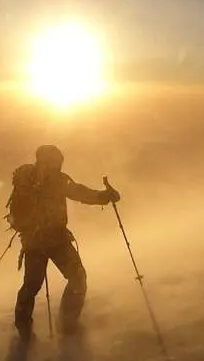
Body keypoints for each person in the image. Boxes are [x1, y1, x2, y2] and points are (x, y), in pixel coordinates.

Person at [7, 145, 120, 341]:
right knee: (67, 279)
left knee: (38, 284)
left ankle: (30, 328)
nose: (57, 166)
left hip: (41, 241)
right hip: (49, 240)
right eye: (55, 162)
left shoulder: (39, 182)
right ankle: (64, 325)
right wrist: (105, 197)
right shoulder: (53, 182)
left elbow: (80, 192)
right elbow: (80, 193)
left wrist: (104, 197)